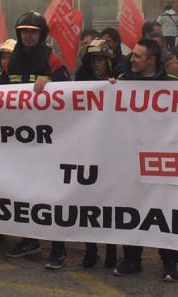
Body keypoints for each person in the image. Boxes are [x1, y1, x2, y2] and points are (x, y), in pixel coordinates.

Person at [0, 10, 71, 270]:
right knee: (25, 193)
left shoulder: (53, 62)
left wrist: (51, 82)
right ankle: (30, 240)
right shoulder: (10, 63)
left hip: (49, 140)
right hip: (21, 140)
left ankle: (58, 249)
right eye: (24, 32)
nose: (28, 36)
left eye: (33, 32)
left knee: (52, 195)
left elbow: (70, 97)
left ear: (41, 35)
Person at [113, 37, 178, 281]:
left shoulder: (172, 83)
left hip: (161, 157)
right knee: (130, 209)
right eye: (132, 55)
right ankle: (132, 259)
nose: (132, 59)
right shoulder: (122, 82)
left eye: (137, 56)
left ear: (151, 60)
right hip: (130, 159)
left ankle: (169, 263)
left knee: (165, 210)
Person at [72, 39, 119, 270]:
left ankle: (111, 249)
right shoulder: (80, 82)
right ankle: (90, 250)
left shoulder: (120, 79)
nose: (95, 64)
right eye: (92, 60)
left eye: (99, 60)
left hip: (110, 150)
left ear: (109, 60)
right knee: (87, 202)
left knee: (108, 202)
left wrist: (116, 86)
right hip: (87, 148)